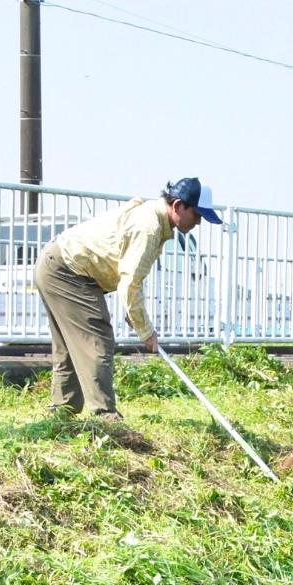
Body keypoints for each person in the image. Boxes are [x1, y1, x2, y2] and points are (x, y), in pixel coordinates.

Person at [34, 177, 220, 417]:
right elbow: (130, 284)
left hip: (59, 266)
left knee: (72, 346)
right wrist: (146, 331)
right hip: (67, 271)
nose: (199, 222)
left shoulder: (155, 221)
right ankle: (105, 415)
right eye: (196, 215)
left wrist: (136, 315)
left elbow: (130, 277)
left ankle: (62, 411)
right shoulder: (149, 227)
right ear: (177, 206)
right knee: (97, 339)